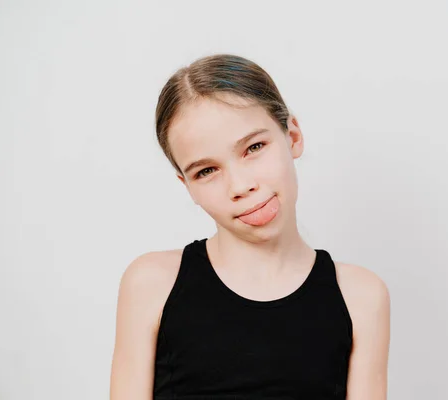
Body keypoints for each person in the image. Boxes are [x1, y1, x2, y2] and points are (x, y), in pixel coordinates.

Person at [109, 53, 391, 399]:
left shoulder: (360, 296)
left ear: (293, 136)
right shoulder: (151, 283)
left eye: (254, 147)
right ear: (187, 186)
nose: (240, 186)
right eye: (207, 171)